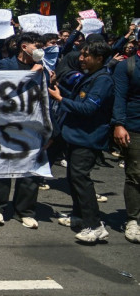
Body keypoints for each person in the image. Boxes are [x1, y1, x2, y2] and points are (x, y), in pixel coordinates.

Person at [48, 41, 113, 243]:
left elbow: (87, 109)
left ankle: (95, 225)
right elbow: (79, 100)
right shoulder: (91, 76)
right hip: (76, 135)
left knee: (81, 178)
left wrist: (60, 100)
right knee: (73, 177)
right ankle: (78, 216)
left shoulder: (103, 80)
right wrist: (60, 91)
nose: (81, 59)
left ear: (99, 58)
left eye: (86, 55)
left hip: (88, 138)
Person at [0, 32, 44, 229]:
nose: (40, 50)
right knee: (2, 167)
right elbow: (1, 91)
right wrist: (31, 74)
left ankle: (25, 211)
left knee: (29, 169)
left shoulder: (43, 67)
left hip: (32, 125)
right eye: (36, 46)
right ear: (24, 47)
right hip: (7, 123)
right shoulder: (6, 65)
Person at [112, 40, 140, 243]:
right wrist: (119, 124)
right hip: (135, 128)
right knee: (135, 174)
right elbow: (119, 97)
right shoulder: (127, 66)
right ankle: (133, 220)